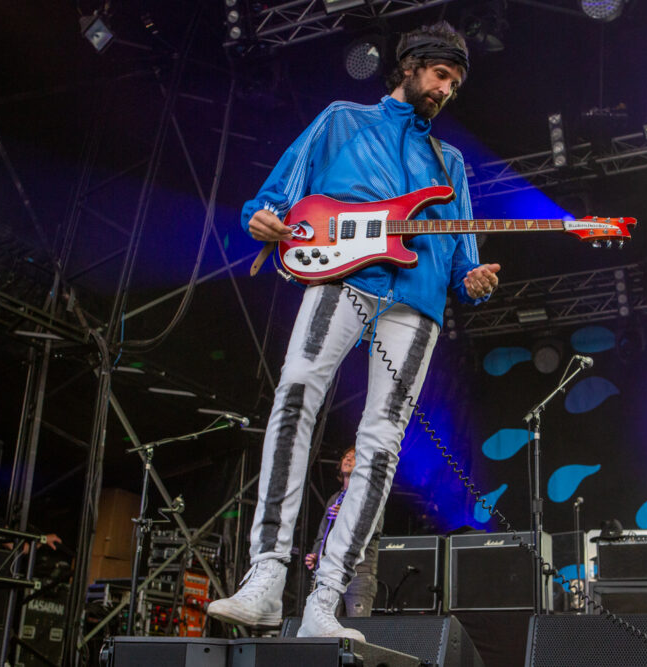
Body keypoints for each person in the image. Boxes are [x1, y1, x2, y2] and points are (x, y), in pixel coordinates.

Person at [207, 21, 500, 641]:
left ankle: (326, 599)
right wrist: (261, 216)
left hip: (415, 303)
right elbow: (276, 194)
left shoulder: (451, 165)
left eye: (456, 82)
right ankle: (266, 575)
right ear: (412, 66)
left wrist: (472, 280)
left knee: (383, 441)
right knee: (295, 396)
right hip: (340, 277)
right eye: (441, 75)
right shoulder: (341, 119)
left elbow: (465, 259)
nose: (447, 89)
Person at [304, 446, 381, 617]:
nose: (347, 459)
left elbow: (373, 530)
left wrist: (346, 515)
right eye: (346, 456)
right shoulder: (334, 498)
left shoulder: (369, 495)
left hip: (359, 574)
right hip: (333, 573)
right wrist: (316, 555)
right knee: (326, 626)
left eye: (353, 457)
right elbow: (322, 533)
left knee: (357, 628)